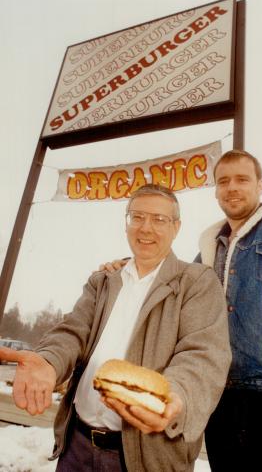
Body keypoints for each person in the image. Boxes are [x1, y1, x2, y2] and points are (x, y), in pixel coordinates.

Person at [101, 151, 262, 472]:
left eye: (242, 179)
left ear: (260, 184)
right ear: (216, 191)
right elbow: (170, 286)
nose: (232, 188)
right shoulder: (209, 247)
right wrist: (131, 265)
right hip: (223, 402)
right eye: (223, 181)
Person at [0, 184, 231, 472]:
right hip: (77, 447)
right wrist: (49, 361)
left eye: (159, 220)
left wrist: (175, 394)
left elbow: (203, 353)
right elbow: (72, 331)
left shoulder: (196, 282)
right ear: (127, 223)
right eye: (137, 217)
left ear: (176, 227)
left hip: (145, 457)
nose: (146, 228)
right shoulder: (104, 280)